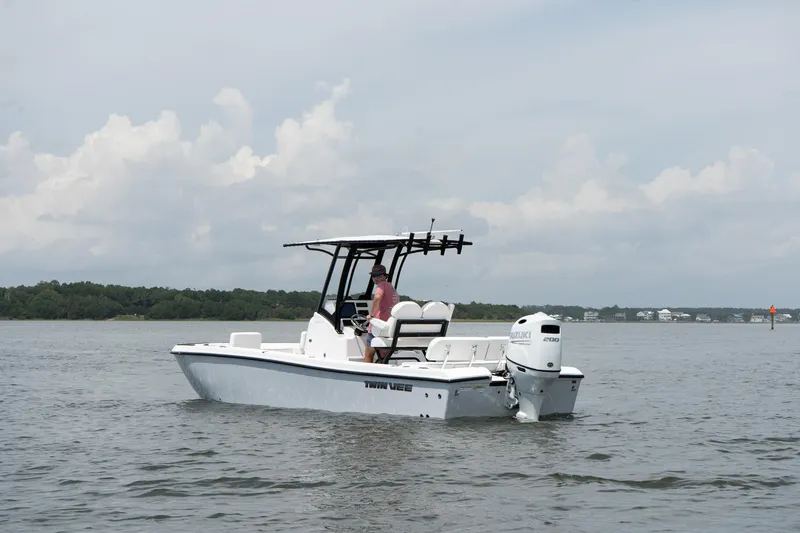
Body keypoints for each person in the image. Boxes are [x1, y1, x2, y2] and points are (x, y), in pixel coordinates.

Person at [363, 264, 400, 363]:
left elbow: (377, 297)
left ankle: (366, 372)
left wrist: (371, 315)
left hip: (378, 327)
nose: (375, 278)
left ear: (384, 276)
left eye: (378, 275)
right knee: (384, 355)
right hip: (389, 328)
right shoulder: (391, 287)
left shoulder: (381, 285)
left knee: (368, 352)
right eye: (373, 276)